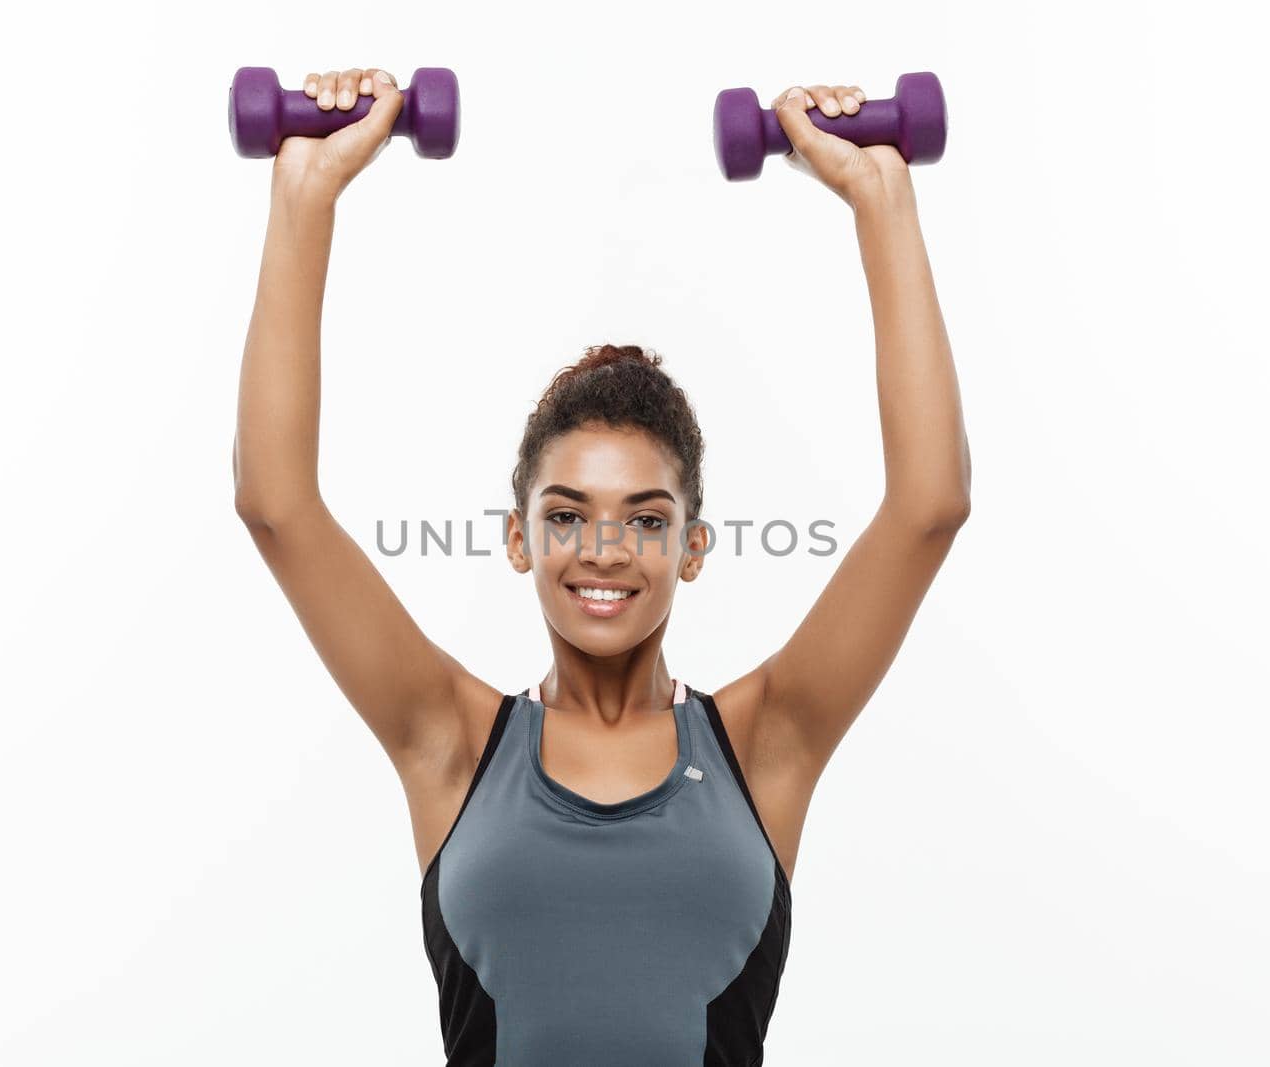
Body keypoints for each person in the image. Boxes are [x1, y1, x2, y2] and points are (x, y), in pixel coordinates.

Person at [233, 65, 971, 1066]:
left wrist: (882, 194)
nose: (605, 550)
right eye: (568, 513)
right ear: (518, 538)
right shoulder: (448, 739)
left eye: (646, 517)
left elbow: (929, 508)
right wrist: (304, 193)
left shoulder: (766, 741)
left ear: (693, 548)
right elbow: (275, 506)